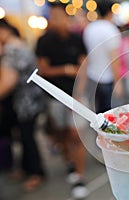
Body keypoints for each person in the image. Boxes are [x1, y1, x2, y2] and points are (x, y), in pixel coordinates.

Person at [35, 2, 88, 199]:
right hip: (54, 97)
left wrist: (78, 93)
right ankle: (69, 163)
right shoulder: (44, 41)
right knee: (63, 134)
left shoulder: (77, 39)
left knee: (77, 135)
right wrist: (66, 69)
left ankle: (80, 176)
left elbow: (83, 68)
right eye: (52, 17)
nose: (56, 21)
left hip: (76, 95)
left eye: (59, 16)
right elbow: (44, 70)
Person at [0, 18, 45, 192]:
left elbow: (8, 81)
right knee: (26, 136)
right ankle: (27, 169)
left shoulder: (12, 50)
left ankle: (36, 173)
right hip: (30, 100)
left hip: (25, 103)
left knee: (27, 138)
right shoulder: (19, 45)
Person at [83, 0, 123, 113]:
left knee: (97, 112)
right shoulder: (111, 30)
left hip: (92, 75)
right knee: (109, 114)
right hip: (107, 78)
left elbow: (87, 54)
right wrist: (118, 81)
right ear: (110, 12)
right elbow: (114, 58)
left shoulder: (89, 28)